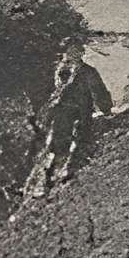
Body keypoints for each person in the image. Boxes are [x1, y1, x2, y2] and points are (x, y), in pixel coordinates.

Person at [25, 45, 111, 197]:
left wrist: (105, 109)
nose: (69, 56)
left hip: (77, 113)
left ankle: (59, 179)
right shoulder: (66, 71)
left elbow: (99, 91)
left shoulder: (85, 72)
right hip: (65, 113)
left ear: (80, 55)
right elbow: (58, 93)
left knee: (72, 144)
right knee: (60, 145)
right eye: (69, 53)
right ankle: (49, 182)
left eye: (73, 53)